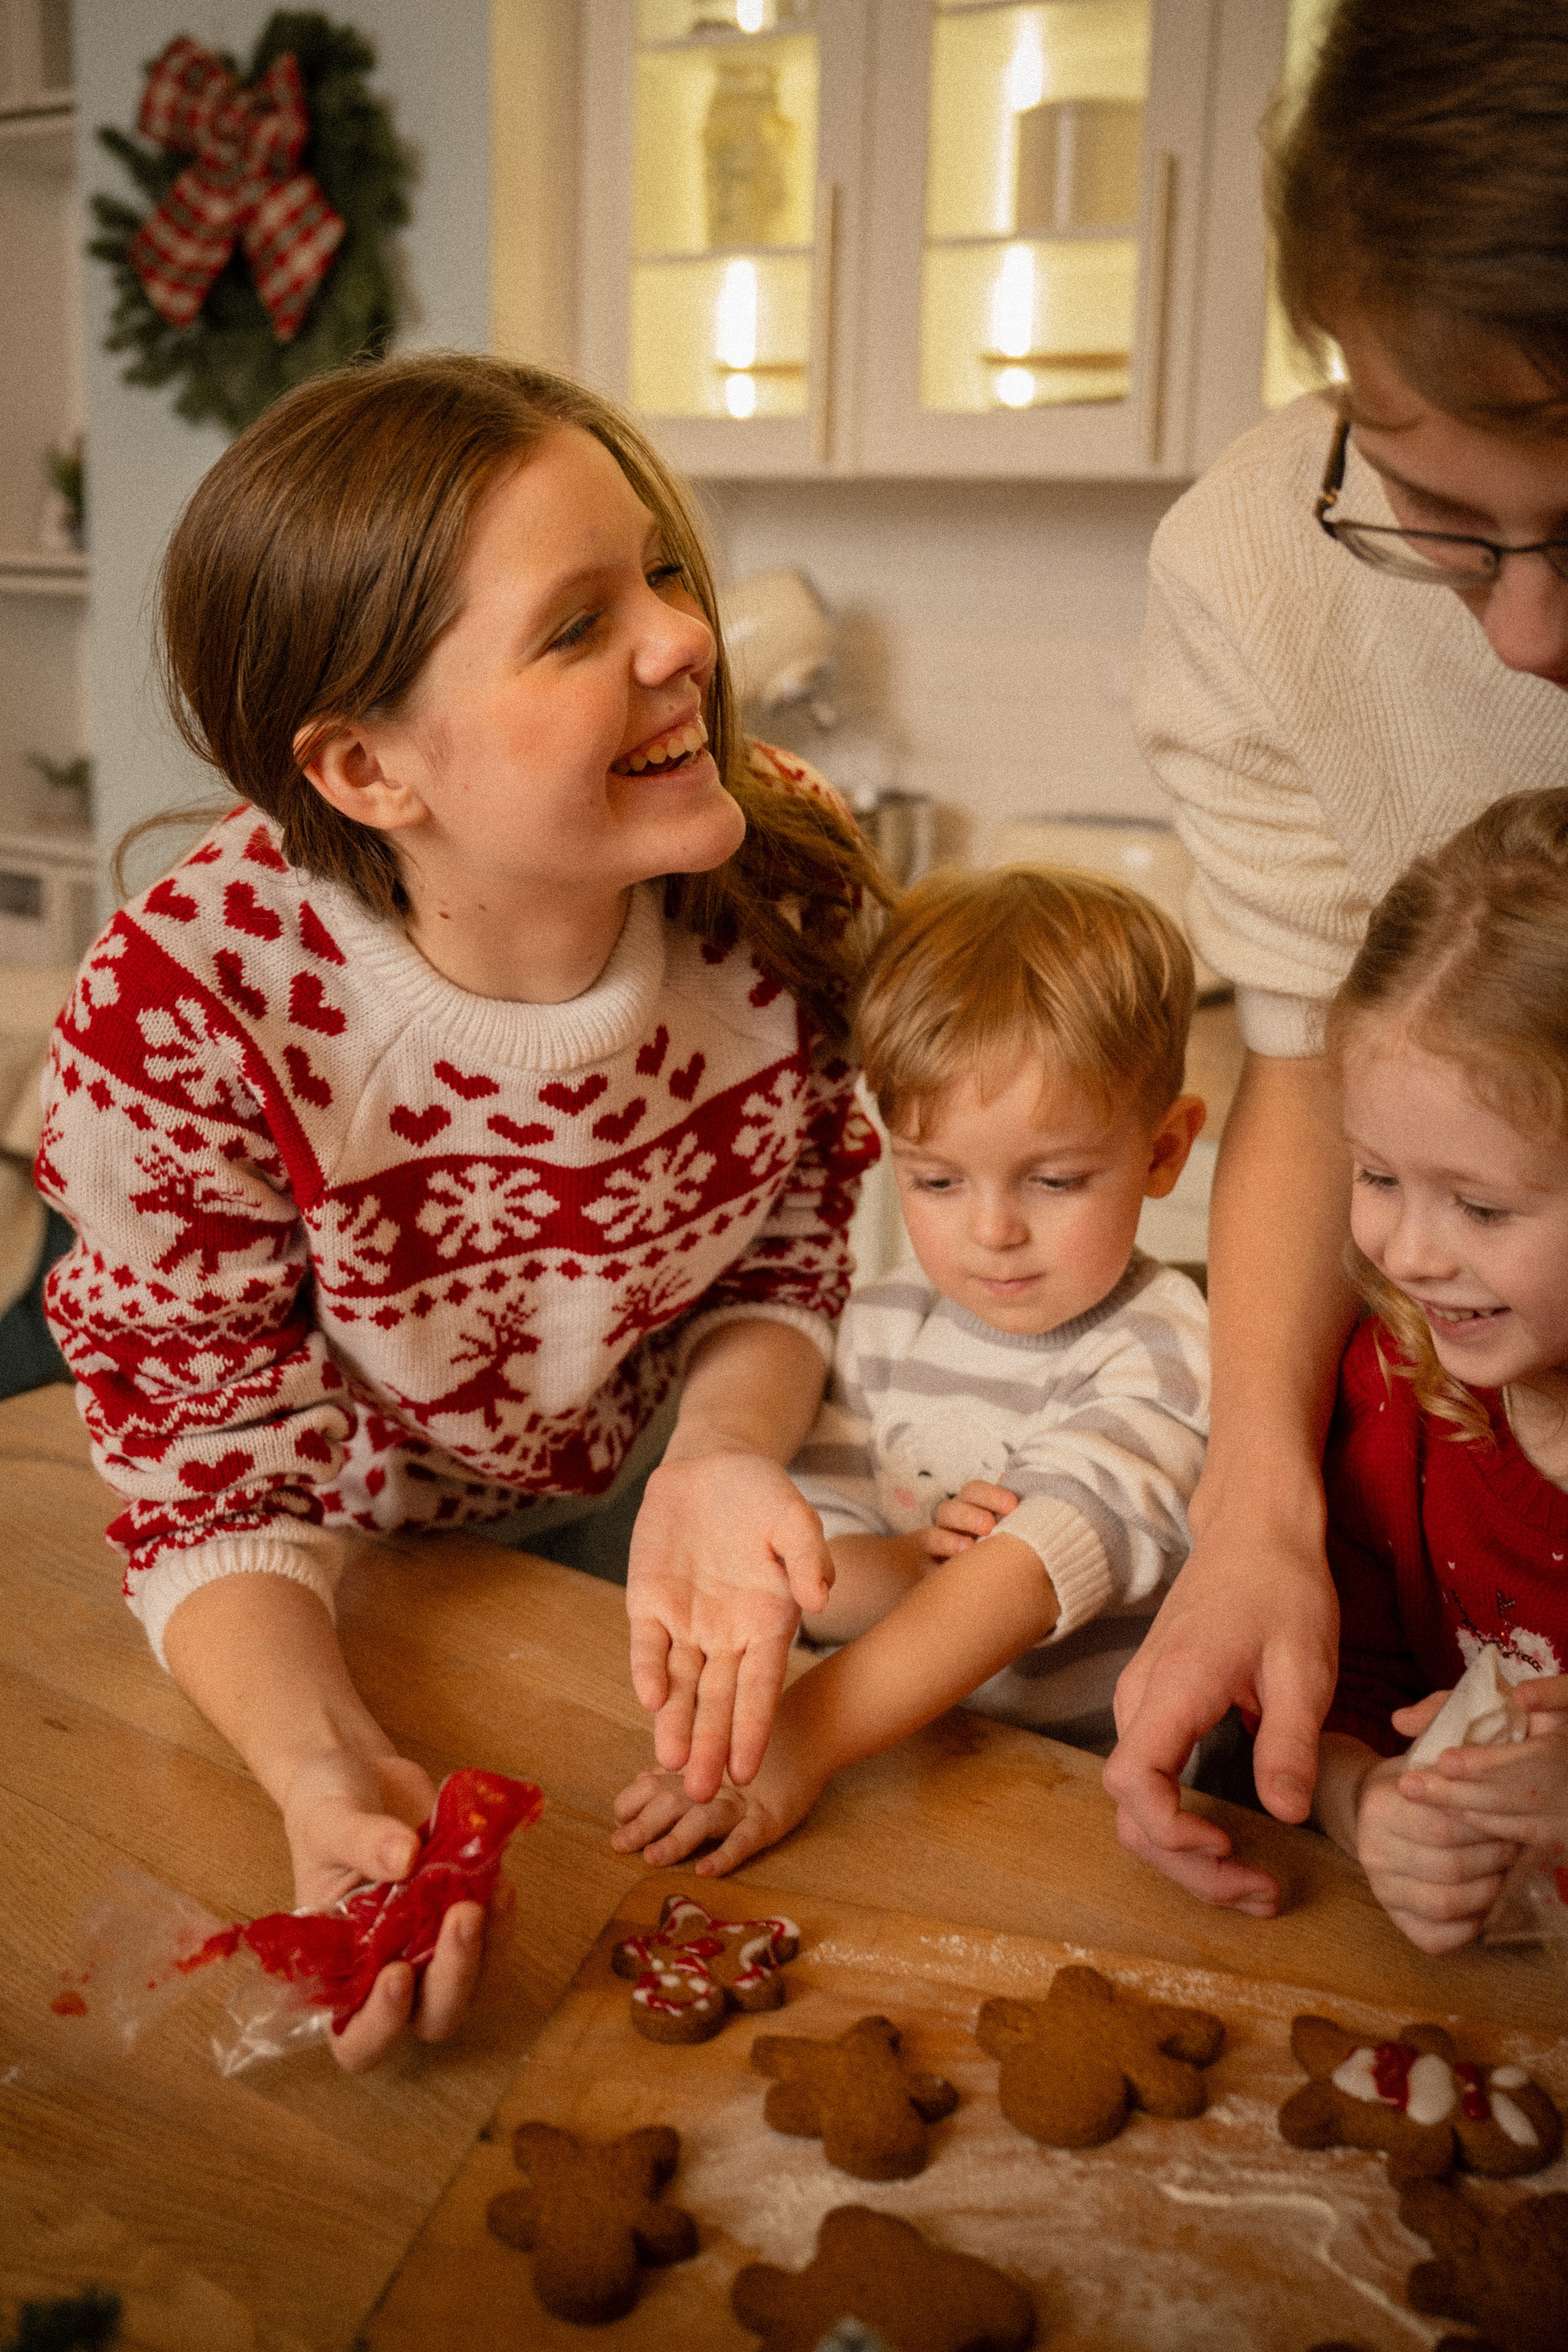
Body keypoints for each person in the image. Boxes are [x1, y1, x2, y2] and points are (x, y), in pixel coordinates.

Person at [34, 353, 888, 2068]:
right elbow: (208, 1472)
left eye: (657, 570)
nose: (683, 641)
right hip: (347, 1567)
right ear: (365, 772)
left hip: (640, 1513)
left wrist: (725, 1455)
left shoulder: (777, 867)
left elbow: (804, 1225)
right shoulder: (186, 1008)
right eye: (576, 628)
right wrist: (323, 1770)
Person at [1109, 0, 1568, 1915]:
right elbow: (1304, 1060)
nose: (1531, 641)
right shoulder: (1253, 577)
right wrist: (1252, 1520)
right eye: (1449, 529)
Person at [611, 865, 1208, 1874]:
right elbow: (817, 1573)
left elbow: (1020, 1584)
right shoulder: (885, 1322)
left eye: (1056, 1180)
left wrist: (795, 1744)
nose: (994, 1232)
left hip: (1098, 1807)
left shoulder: (1168, 1348)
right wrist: (912, 1564)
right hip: (912, 1764)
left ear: (1163, 1150)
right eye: (935, 1180)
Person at [1311, 790, 1568, 1951]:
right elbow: (1332, 1694)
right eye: (1377, 1176)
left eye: (1479, 1204)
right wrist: (1366, 1809)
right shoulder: (1400, 1389)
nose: (1410, 1255)